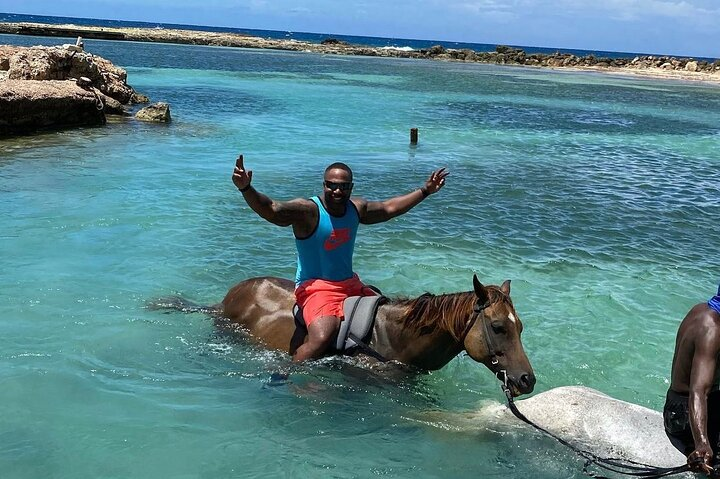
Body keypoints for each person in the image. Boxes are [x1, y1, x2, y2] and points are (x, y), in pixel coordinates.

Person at [231, 154, 448, 362]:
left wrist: (425, 191)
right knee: (322, 338)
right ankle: (285, 374)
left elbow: (389, 208)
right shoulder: (309, 211)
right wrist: (246, 188)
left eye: (343, 186)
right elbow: (272, 209)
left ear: (351, 188)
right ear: (323, 185)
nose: (337, 190)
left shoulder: (356, 209)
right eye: (331, 184)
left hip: (350, 284)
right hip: (316, 288)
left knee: (386, 312)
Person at [665, 285, 720, 475]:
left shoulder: (702, 309)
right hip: (685, 416)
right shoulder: (713, 328)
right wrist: (702, 443)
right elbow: (698, 391)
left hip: (690, 402)